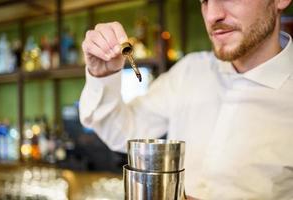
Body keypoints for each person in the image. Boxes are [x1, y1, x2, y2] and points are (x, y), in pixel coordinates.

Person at [79, 0, 293, 199]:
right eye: (204, 0)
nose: (212, 16)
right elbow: (122, 133)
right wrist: (103, 75)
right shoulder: (189, 71)